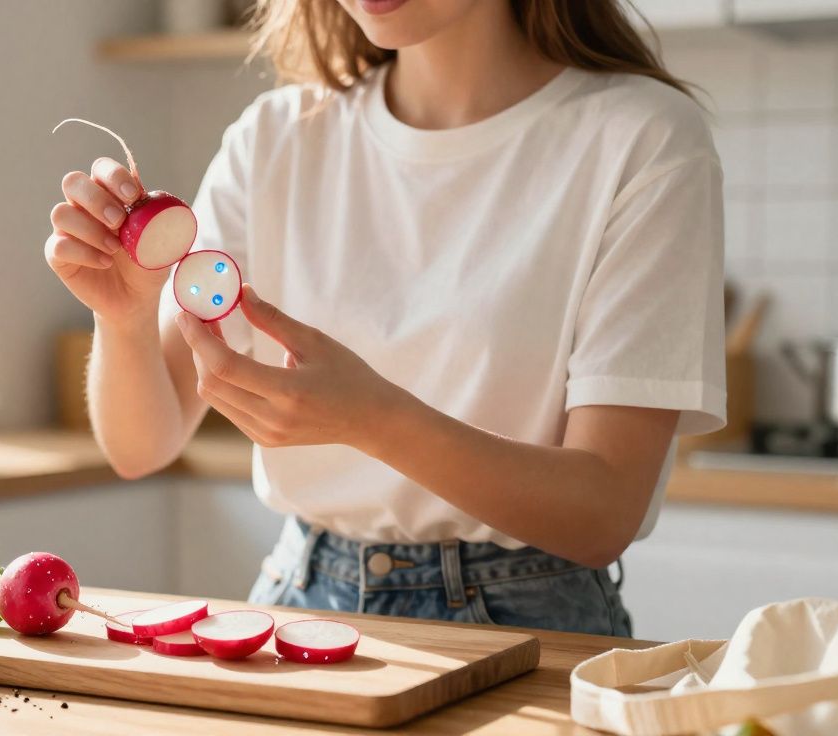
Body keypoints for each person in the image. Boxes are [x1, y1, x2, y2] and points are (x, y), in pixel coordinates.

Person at [44, 0, 725, 637]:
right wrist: (124, 317)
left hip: (530, 623)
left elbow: (602, 512)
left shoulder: (645, 138)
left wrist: (372, 419)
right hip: (300, 601)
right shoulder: (274, 137)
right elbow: (142, 446)